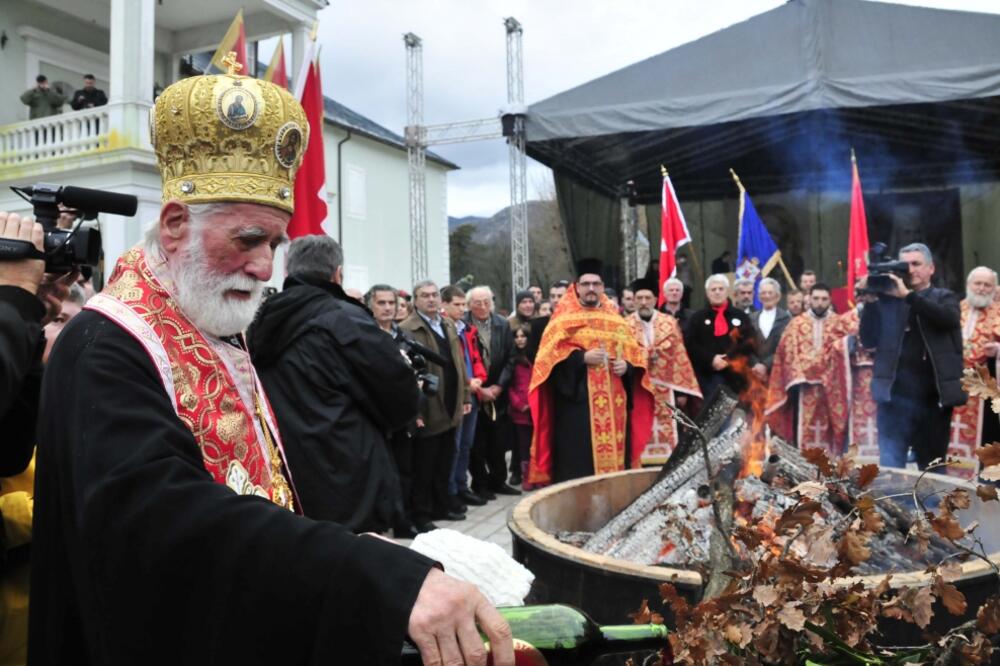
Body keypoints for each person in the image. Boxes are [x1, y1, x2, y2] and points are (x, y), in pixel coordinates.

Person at [29, 66, 511, 666]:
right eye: (247, 239)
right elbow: (161, 519)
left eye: (274, 246)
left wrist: (337, 544)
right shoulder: (105, 342)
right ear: (176, 224)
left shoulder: (214, 324)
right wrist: (363, 573)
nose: (263, 267)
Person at [248, 235, 419, 533]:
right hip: (349, 468)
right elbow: (399, 392)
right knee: (354, 563)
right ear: (336, 273)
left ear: (288, 271)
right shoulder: (346, 320)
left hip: (290, 463)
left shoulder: (261, 317)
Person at [527, 259, 651, 485]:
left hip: (614, 407)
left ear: (602, 287)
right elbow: (547, 363)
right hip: (576, 407)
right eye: (586, 284)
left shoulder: (617, 321)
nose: (591, 288)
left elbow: (635, 356)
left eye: (596, 284)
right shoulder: (561, 321)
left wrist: (628, 368)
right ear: (576, 287)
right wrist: (581, 358)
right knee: (578, 463)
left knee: (614, 470)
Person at [859, 242, 966, 470]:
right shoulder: (887, 301)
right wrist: (870, 305)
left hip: (932, 398)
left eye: (916, 264)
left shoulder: (944, 297)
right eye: (905, 265)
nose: (911, 270)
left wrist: (908, 296)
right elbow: (869, 340)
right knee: (891, 466)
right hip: (893, 397)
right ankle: (894, 506)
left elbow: (947, 319)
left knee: (932, 467)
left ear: (931, 269)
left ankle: (933, 507)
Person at [400, 280, 472, 530]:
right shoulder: (407, 328)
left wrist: (465, 396)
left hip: (451, 402)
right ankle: (421, 512)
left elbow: (459, 364)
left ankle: (441, 504)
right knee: (424, 465)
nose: (431, 299)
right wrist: (416, 410)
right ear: (415, 300)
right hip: (429, 404)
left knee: (445, 460)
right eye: (424, 296)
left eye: (434, 295)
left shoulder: (447, 324)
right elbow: (407, 373)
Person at [365, 283, 423, 537]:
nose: (388, 308)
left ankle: (402, 520)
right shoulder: (365, 335)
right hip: (374, 418)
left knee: (406, 471)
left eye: (392, 303)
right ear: (370, 305)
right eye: (382, 303)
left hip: (403, 417)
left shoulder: (403, 336)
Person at [764, 284, 847, 455]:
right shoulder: (796, 324)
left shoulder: (839, 323)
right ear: (809, 299)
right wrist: (801, 373)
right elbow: (785, 352)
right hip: (802, 387)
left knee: (832, 427)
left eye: (824, 299)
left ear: (830, 300)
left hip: (831, 388)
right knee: (803, 428)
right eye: (815, 298)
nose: (819, 303)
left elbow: (845, 352)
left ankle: (831, 469)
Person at [626, 278, 701, 465]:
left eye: (647, 298)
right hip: (639, 387)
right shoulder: (624, 325)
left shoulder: (668, 323)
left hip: (667, 388)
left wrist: (682, 391)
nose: (643, 302)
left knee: (670, 429)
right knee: (641, 427)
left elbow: (680, 356)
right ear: (634, 301)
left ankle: (671, 465)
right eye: (639, 298)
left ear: (655, 299)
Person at [945, 267, 1000, 479]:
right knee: (951, 430)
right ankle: (951, 476)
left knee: (987, 436)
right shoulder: (956, 309)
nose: (982, 288)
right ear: (969, 286)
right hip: (955, 384)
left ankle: (986, 479)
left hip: (987, 389)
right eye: (977, 283)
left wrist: (997, 350)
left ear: (994, 288)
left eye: (987, 284)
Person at [464, 286, 519, 493]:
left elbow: (511, 358)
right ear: (469, 305)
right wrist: (479, 390)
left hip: (497, 390)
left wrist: (498, 386)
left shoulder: (502, 324)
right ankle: (480, 483)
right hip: (473, 390)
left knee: (498, 440)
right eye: (477, 302)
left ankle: (498, 480)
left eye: (487, 301)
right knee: (476, 441)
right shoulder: (462, 325)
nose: (483, 306)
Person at [441, 285, 488, 509]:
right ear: (445, 304)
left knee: (467, 444)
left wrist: (478, 378)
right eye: (456, 305)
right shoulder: (443, 328)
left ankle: (461, 485)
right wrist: (465, 384)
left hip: (472, 393)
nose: (461, 309)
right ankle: (449, 489)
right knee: (455, 446)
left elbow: (475, 357)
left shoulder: (467, 329)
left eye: (463, 305)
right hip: (457, 394)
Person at [684, 274, 759, 398]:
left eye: (721, 289)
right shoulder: (697, 318)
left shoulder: (740, 316)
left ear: (727, 291)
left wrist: (728, 358)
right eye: (713, 290)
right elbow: (691, 345)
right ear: (707, 293)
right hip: (707, 376)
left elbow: (749, 342)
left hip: (737, 376)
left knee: (737, 415)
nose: (717, 292)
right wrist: (711, 359)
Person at [507, 325, 534, 488]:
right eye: (516, 336)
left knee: (535, 443)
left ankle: (536, 474)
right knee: (522, 445)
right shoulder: (511, 359)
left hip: (535, 408)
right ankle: (526, 476)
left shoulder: (534, 357)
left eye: (523, 336)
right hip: (520, 411)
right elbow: (509, 386)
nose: (520, 339)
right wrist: (519, 404)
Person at [751, 277, 792, 381]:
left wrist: (765, 365)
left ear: (778, 296)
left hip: (779, 374)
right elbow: (746, 345)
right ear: (759, 297)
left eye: (770, 293)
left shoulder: (786, 319)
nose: (767, 296)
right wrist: (756, 364)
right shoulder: (751, 318)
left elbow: (787, 347)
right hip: (754, 374)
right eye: (763, 293)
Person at [527, 279, 569, 360]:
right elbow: (531, 352)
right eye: (552, 296)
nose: (555, 300)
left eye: (560, 296)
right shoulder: (538, 324)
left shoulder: (577, 321)